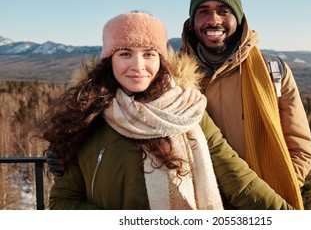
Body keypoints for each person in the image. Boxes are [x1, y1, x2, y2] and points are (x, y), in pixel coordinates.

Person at [38, 11, 293, 210]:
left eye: (149, 54)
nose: (138, 66)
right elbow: (62, 202)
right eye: (125, 53)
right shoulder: (87, 117)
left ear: (161, 60)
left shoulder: (188, 111)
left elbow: (241, 182)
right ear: (109, 60)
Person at [179, 0, 311, 210]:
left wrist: (273, 191)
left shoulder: (273, 71)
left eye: (224, 11)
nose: (214, 20)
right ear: (193, 21)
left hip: (260, 201)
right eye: (204, 12)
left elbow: (300, 145)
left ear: (239, 19)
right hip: (196, 203)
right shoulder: (174, 75)